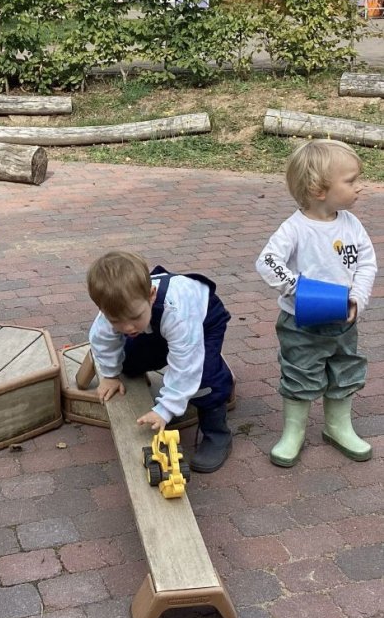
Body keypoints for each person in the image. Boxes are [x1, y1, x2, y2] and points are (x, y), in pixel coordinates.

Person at [255, 139, 377, 467]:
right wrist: (297, 288)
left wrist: (357, 298)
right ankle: (293, 432)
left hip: (344, 320)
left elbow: (367, 262)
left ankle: (338, 426)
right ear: (318, 188)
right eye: (351, 181)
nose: (359, 187)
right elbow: (267, 261)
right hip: (301, 322)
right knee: (299, 372)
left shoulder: (352, 225)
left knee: (344, 369)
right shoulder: (295, 229)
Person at [87, 251, 235, 473]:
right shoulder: (116, 309)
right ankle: (170, 374)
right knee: (130, 362)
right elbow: (103, 340)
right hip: (158, 325)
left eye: (134, 317)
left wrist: (166, 409)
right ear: (103, 310)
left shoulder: (178, 313)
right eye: (117, 321)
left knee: (202, 376)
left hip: (203, 322)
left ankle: (217, 433)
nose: (128, 327)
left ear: (151, 295)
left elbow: (185, 365)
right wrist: (110, 375)